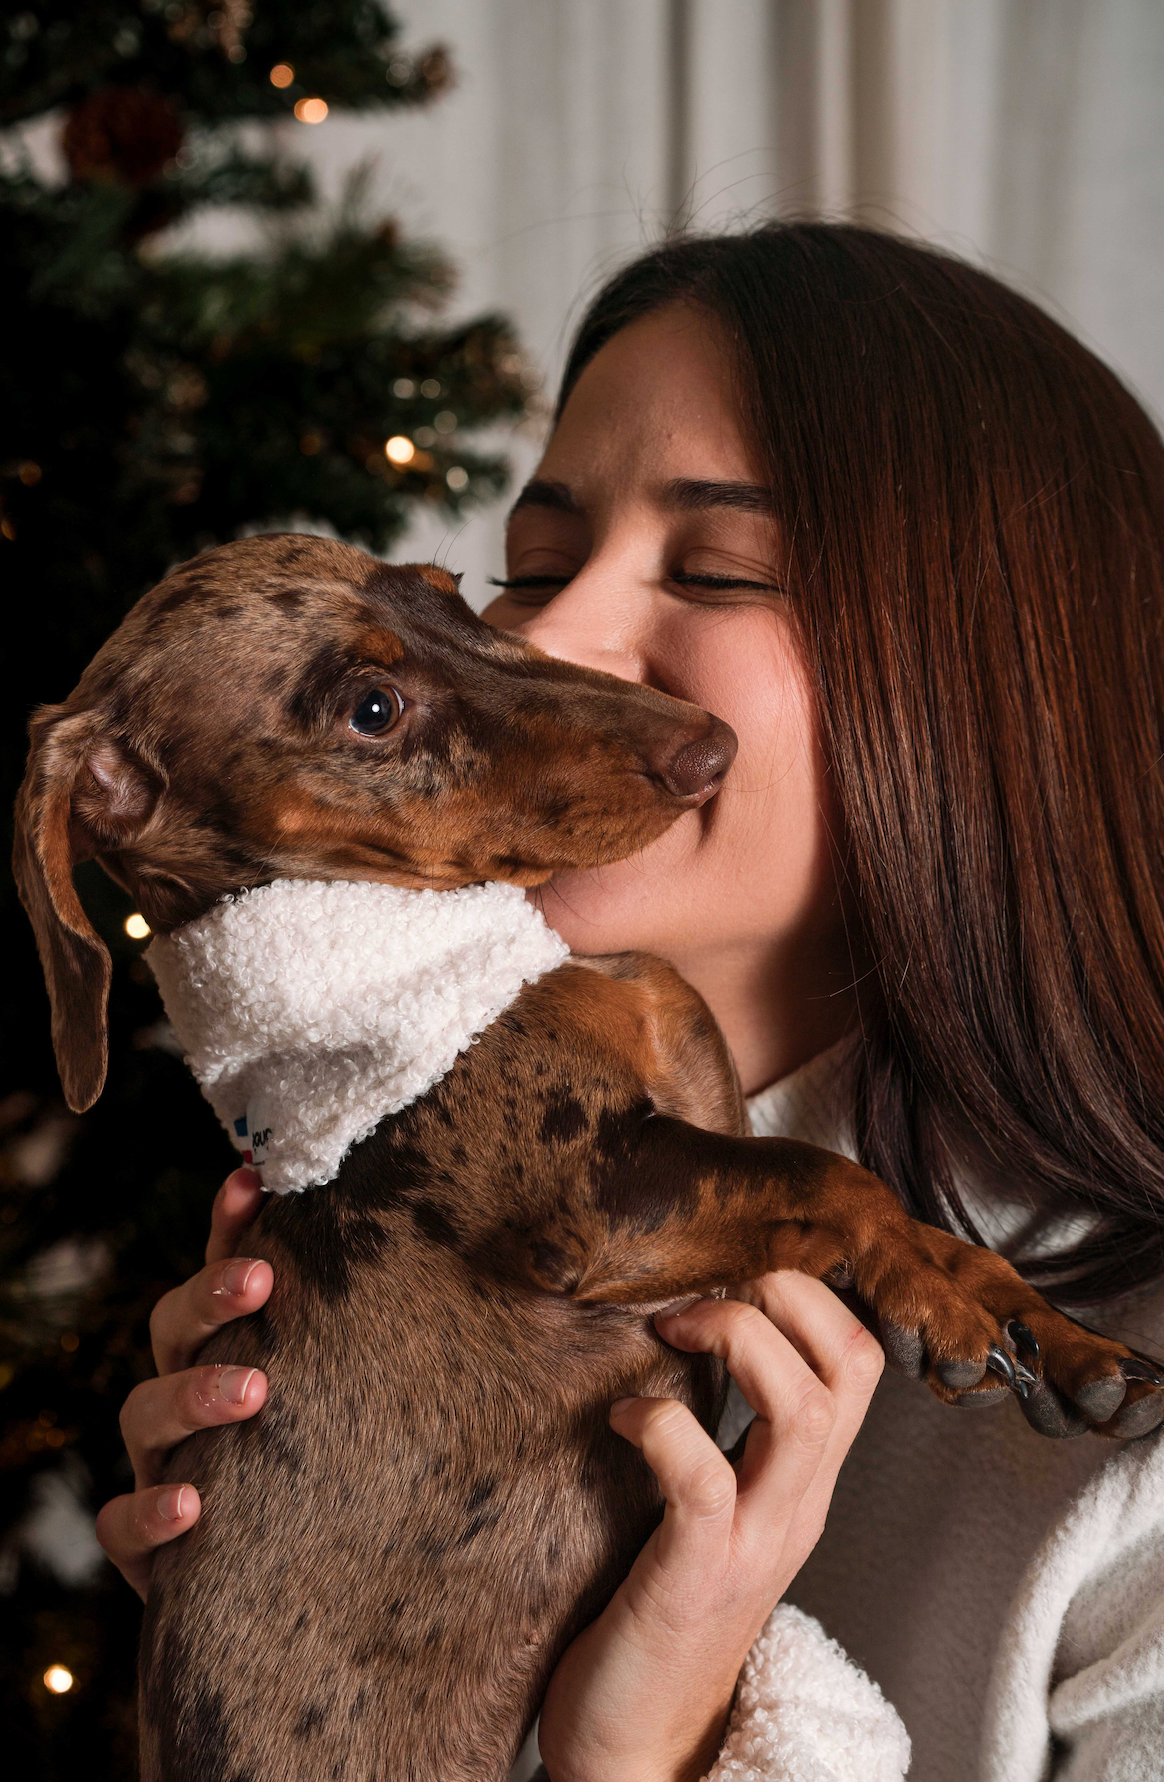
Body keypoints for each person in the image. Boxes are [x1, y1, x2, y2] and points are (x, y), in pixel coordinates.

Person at [94, 224, 1164, 1781]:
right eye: (532, 567)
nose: (539, 640)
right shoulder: (371, 1218)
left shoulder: (1129, 1455)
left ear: (997, 683)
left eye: (714, 570)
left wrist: (652, 1754)